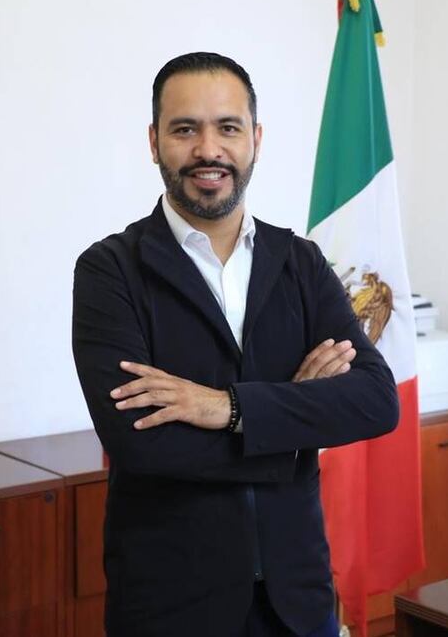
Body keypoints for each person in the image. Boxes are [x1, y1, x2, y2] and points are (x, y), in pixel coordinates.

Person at [71, 52, 400, 637]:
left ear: (255, 138)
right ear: (154, 141)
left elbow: (376, 401)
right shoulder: (109, 270)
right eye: (184, 128)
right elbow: (142, 445)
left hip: (298, 603)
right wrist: (294, 425)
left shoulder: (300, 262)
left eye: (228, 127)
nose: (208, 149)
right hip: (170, 609)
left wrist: (228, 407)